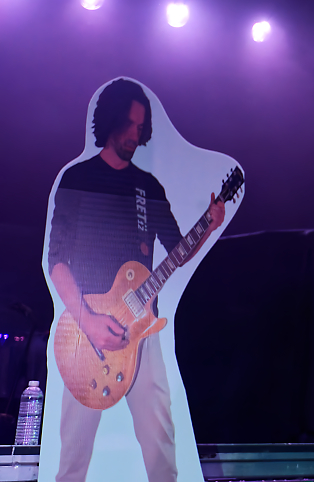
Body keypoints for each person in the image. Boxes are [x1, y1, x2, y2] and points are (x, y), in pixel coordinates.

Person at [47, 79, 225, 482]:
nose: (133, 134)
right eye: (127, 123)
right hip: (84, 330)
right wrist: (89, 320)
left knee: (161, 446)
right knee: (73, 457)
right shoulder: (77, 179)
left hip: (142, 330)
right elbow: (56, 259)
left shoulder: (148, 187)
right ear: (109, 120)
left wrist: (209, 226)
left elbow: (177, 250)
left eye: (140, 127)